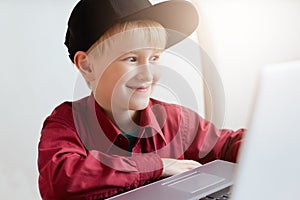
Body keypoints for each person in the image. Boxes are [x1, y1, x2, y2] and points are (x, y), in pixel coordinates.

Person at [38, 0, 245, 199]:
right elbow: (62, 181)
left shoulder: (176, 120)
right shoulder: (66, 123)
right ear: (87, 65)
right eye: (132, 59)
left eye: (154, 58)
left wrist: (265, 144)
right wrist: (158, 166)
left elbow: (227, 144)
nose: (148, 74)